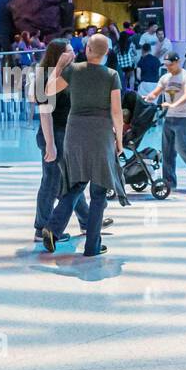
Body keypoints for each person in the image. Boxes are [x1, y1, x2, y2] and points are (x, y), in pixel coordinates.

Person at [40, 34, 128, 257]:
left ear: (87, 49)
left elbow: (47, 91)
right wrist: (119, 141)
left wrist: (59, 67)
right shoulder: (112, 75)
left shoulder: (74, 70)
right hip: (100, 134)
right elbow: (117, 112)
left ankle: (52, 228)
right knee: (98, 192)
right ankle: (92, 246)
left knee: (75, 185)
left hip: (75, 132)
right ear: (106, 53)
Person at [33, 39, 91, 242]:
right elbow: (44, 113)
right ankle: (41, 228)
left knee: (70, 181)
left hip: (68, 134)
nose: (73, 53)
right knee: (52, 182)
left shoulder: (71, 73)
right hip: (54, 135)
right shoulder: (44, 77)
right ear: (58, 55)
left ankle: (87, 221)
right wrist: (50, 144)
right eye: (68, 51)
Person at [143, 52, 186, 193]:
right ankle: (169, 182)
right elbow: (157, 92)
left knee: (181, 147)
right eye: (166, 65)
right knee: (167, 151)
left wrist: (174, 104)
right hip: (169, 118)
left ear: (177, 62)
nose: (168, 68)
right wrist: (149, 97)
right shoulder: (165, 78)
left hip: (184, 117)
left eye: (170, 65)